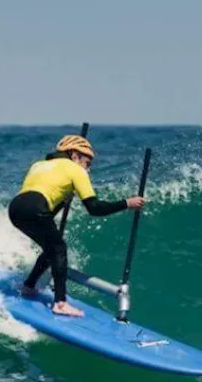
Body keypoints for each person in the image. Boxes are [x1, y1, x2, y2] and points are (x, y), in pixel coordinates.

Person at [9, 135, 145, 317]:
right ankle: (60, 303)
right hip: (35, 207)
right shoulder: (75, 170)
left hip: (16, 208)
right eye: (87, 163)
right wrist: (126, 203)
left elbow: (44, 202)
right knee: (59, 248)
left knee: (51, 247)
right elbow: (94, 208)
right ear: (74, 156)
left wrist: (63, 201)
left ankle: (28, 286)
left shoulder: (39, 165)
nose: (87, 169)